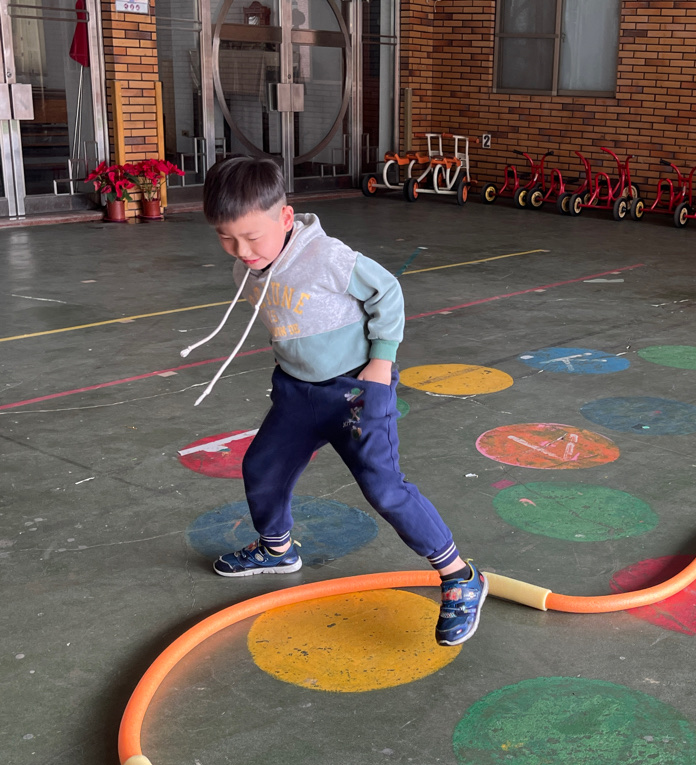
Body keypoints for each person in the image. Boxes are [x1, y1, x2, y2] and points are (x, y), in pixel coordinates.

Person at [191, 156, 486, 646]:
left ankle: (460, 576)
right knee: (262, 467)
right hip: (296, 391)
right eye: (226, 238)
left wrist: (382, 362)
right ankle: (277, 549)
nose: (241, 250)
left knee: (385, 489)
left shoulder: (327, 256)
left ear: (286, 217)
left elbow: (387, 292)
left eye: (252, 237)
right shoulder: (250, 263)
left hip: (354, 391)